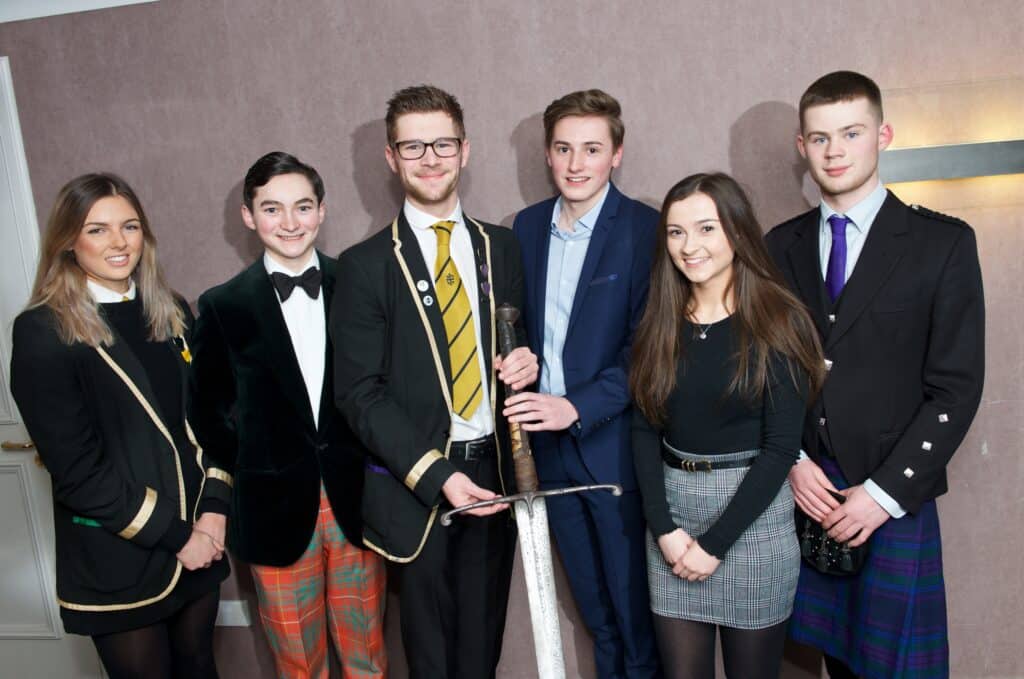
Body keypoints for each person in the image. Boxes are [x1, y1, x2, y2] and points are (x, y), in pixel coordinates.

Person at [766, 70, 985, 679]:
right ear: (801, 147)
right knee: (823, 669)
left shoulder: (940, 244)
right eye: (818, 138)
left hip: (893, 498)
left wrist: (884, 494)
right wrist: (791, 462)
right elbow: (767, 371)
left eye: (851, 133)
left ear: (882, 135)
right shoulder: (778, 247)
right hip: (808, 495)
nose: (834, 151)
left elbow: (956, 389)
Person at [330, 84, 538, 679]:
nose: (430, 158)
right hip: (417, 482)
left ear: (465, 150)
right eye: (413, 146)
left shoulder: (503, 248)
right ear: (391, 158)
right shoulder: (366, 265)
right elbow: (359, 393)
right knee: (432, 656)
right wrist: (438, 476)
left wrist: (529, 363)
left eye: (442, 143)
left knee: (481, 648)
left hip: (496, 470)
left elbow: (516, 346)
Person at [10, 173, 230, 679]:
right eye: (98, 229)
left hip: (201, 536)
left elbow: (215, 419)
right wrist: (180, 537)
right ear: (68, 241)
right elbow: (79, 474)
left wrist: (214, 513)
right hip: (121, 552)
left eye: (129, 226)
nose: (118, 242)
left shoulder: (171, 309)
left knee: (200, 668)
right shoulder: (42, 331)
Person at [189, 151, 386, 679]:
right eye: (272, 209)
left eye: (302, 207)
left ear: (321, 211)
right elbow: (208, 414)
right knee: (299, 663)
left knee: (367, 653)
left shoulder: (361, 285)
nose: (290, 222)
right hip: (272, 509)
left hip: (357, 501)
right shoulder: (222, 305)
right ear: (249, 216)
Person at [631, 173, 825, 678]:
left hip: (752, 523)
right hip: (671, 518)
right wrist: (665, 530)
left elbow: (781, 449)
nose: (689, 246)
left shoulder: (779, 319)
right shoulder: (661, 319)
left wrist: (714, 544)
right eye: (675, 232)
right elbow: (643, 430)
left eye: (705, 229)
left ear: (736, 232)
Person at [506, 88, 661, 678]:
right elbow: (517, 327)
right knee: (595, 616)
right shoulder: (524, 228)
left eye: (591, 149)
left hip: (614, 447)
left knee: (634, 616)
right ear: (548, 154)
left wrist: (577, 406)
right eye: (564, 149)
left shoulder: (646, 229)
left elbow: (648, 351)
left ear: (616, 154)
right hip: (545, 454)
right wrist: (517, 361)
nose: (576, 164)